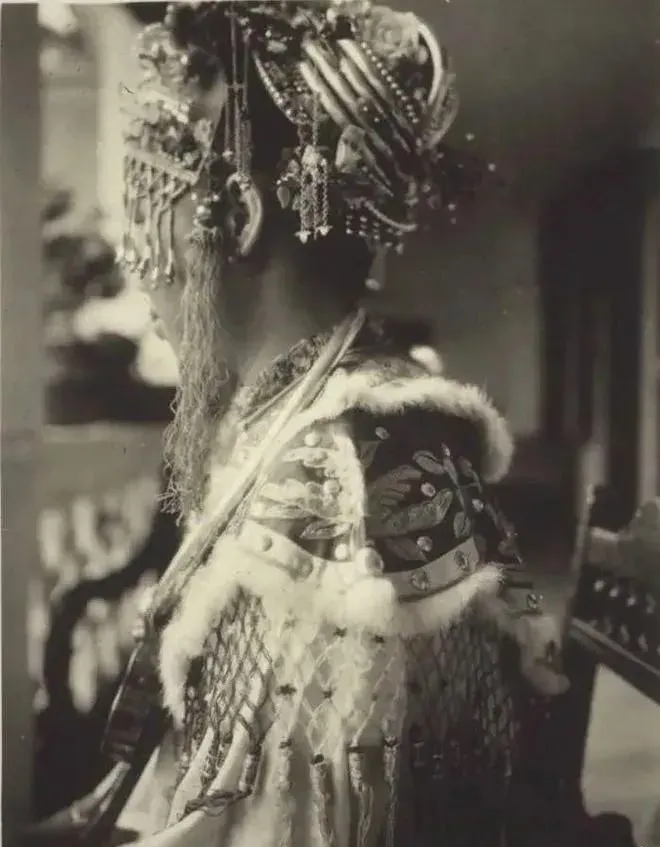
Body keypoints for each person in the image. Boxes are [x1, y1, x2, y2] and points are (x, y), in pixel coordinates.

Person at [30, 2, 570, 845]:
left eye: (150, 212)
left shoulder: (340, 481)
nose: (143, 269)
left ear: (238, 217)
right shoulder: (327, 417)